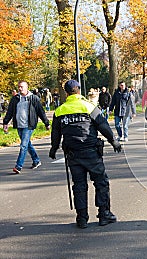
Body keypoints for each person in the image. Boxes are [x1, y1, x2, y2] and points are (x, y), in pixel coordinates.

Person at [49, 80, 122, 229]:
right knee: (101, 183)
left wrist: (54, 148)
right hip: (91, 152)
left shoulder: (60, 110)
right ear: (78, 90)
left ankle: (81, 218)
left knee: (79, 186)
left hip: (73, 154)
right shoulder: (89, 106)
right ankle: (104, 215)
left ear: (67, 92)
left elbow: (56, 132)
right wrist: (113, 141)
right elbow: (103, 125)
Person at [3, 80, 50, 174]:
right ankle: (36, 160)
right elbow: (10, 112)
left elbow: (41, 111)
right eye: (19, 87)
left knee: (23, 146)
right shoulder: (15, 99)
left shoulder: (34, 98)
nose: (20, 89)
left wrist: (46, 123)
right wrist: (5, 123)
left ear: (27, 87)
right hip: (19, 125)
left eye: (22, 87)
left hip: (29, 125)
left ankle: (18, 166)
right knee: (27, 144)